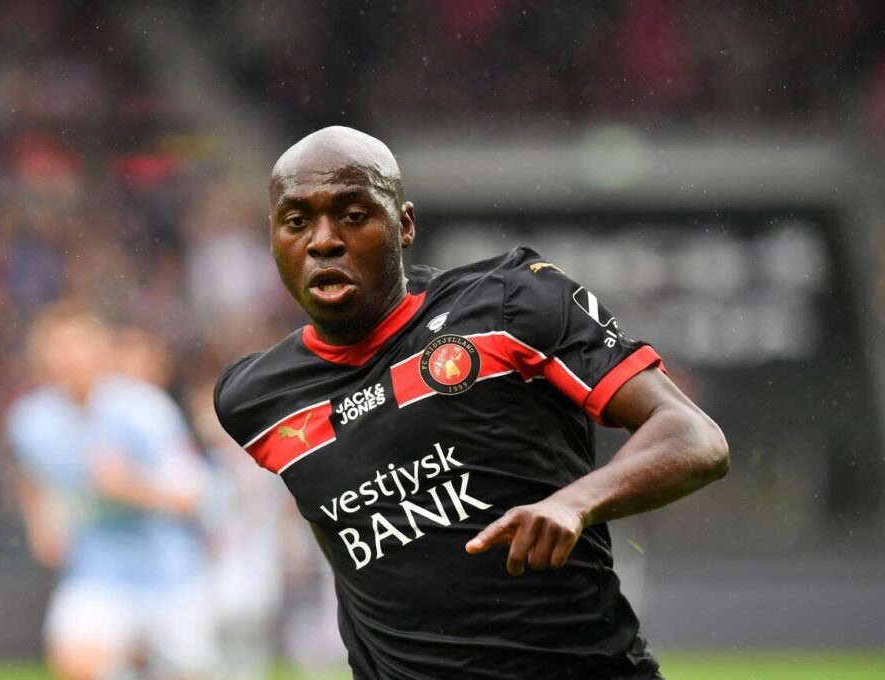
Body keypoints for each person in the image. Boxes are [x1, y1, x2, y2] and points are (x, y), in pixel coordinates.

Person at [213, 126, 730, 680]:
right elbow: (348, 548)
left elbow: (695, 438)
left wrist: (575, 503)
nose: (323, 241)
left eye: (353, 215)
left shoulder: (509, 304)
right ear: (273, 240)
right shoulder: (255, 401)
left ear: (404, 224)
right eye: (297, 222)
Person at [6, 302, 214, 680]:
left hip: (170, 576)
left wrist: (130, 487)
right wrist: (40, 522)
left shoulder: (144, 410)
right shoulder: (30, 422)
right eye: (57, 348)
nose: (67, 358)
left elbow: (193, 495)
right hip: (96, 573)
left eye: (77, 346)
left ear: (100, 349)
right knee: (74, 660)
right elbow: (29, 476)